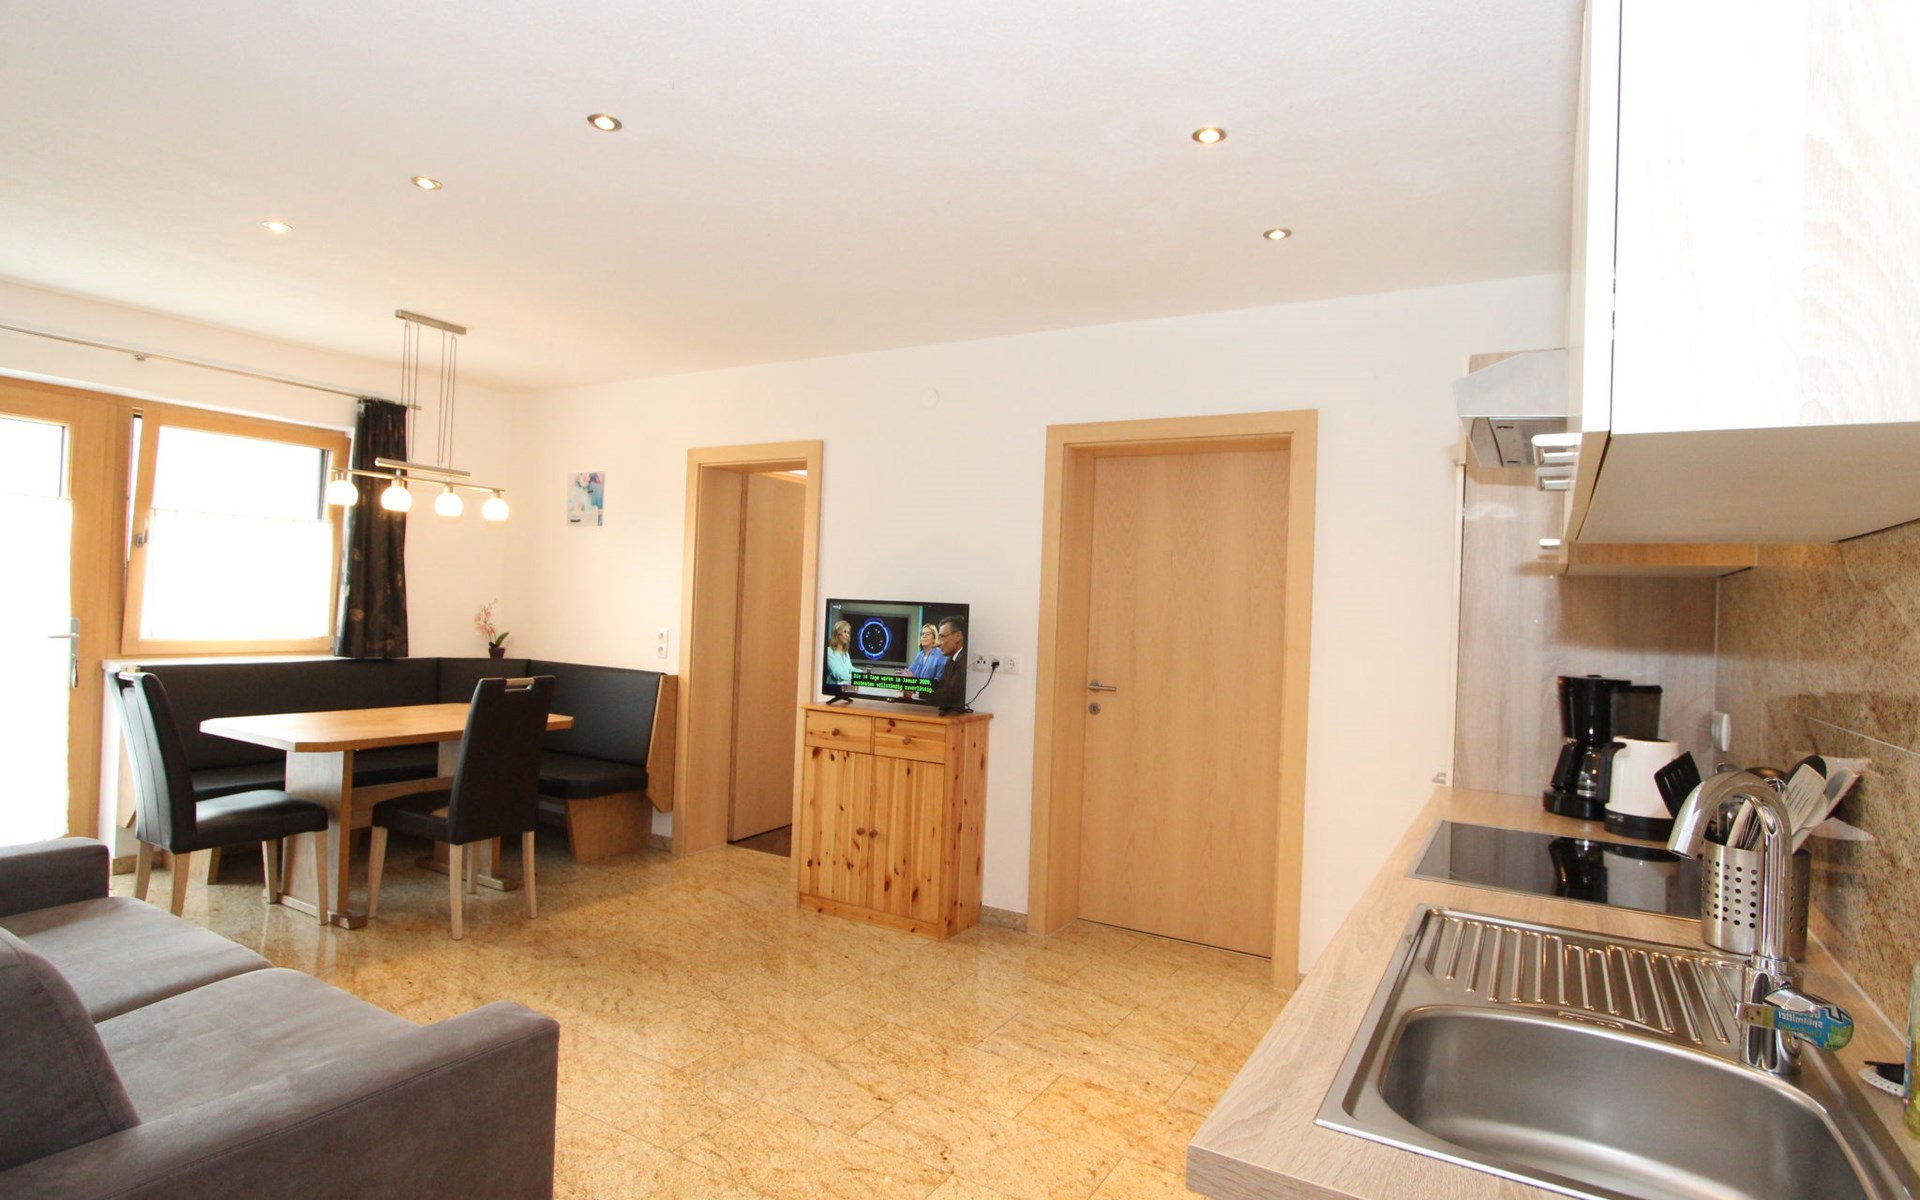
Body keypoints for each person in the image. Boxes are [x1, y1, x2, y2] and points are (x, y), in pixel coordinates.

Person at [928, 615, 967, 710]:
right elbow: (940, 686)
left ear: (958, 636)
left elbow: (951, 695)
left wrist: (919, 691)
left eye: (942, 637)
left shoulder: (963, 662)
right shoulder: (951, 659)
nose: (939, 643)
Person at [825, 618, 853, 689]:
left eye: (848, 633)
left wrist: (862, 673)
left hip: (845, 688)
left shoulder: (846, 653)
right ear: (837, 633)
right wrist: (856, 677)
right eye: (845, 632)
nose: (847, 635)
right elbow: (837, 674)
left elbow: (850, 669)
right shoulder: (829, 651)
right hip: (833, 689)